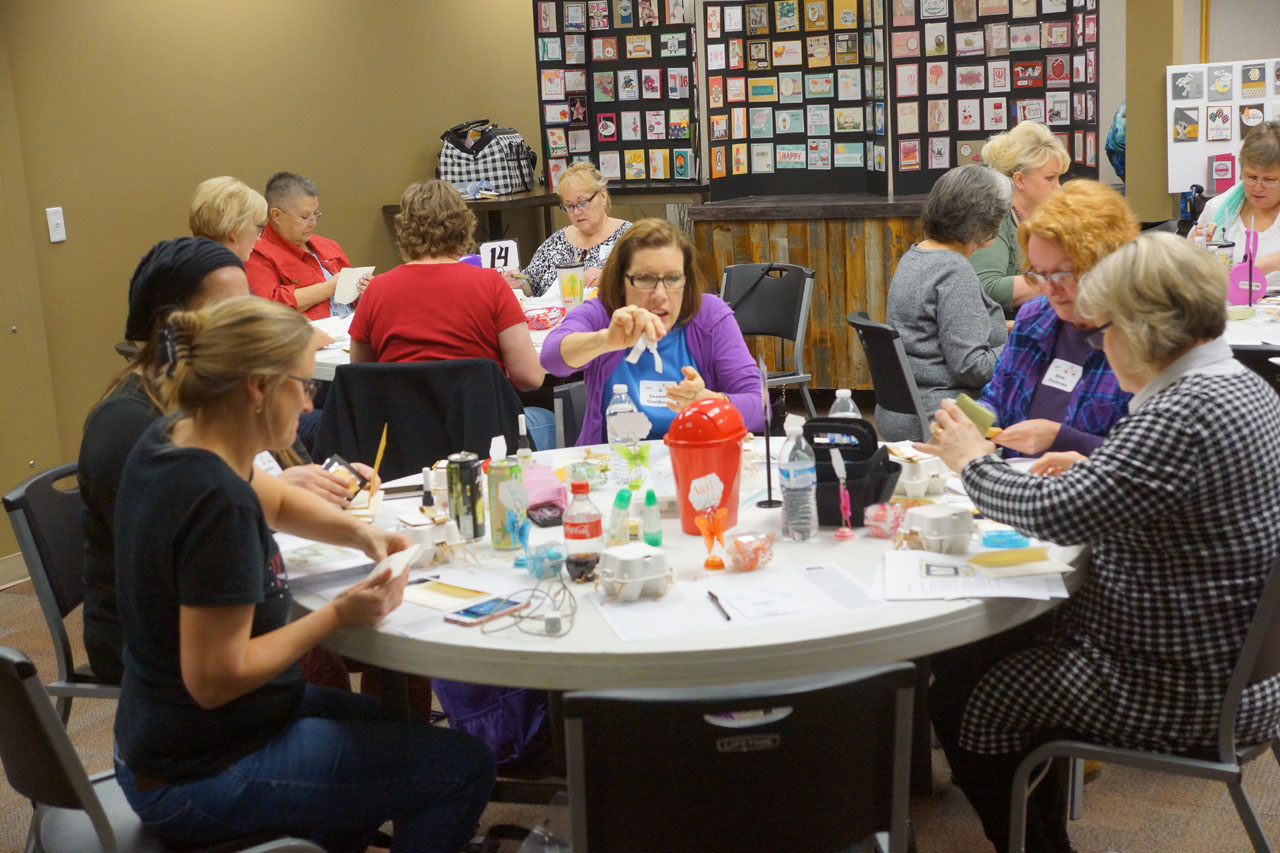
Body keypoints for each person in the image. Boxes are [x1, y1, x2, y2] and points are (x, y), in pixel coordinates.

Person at [922, 232, 1280, 852]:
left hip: (1182, 688)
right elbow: (1161, 490)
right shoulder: (1242, 386)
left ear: (1144, 331)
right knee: (987, 652)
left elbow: (1055, 515)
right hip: (1235, 667)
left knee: (966, 696)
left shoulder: (1178, 414)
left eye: (1103, 331)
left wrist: (972, 461)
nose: (1100, 345)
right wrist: (1097, 468)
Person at [112, 297, 494, 851]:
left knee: (405, 733)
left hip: (181, 735)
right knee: (463, 768)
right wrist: (337, 615)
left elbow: (279, 502)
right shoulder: (215, 502)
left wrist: (362, 535)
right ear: (257, 388)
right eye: (303, 384)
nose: (311, 402)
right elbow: (215, 679)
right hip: (196, 773)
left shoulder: (180, 437)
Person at [78, 238, 378, 685]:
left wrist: (338, 501)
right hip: (170, 648)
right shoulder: (133, 426)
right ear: (177, 323)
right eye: (230, 311)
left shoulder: (212, 405)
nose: (249, 323)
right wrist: (332, 614)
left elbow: (269, 495)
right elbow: (195, 554)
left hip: (238, 598)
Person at [349, 179, 554, 450]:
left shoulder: (376, 291)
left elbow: (361, 378)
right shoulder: (491, 285)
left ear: (403, 230)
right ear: (464, 225)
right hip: (481, 441)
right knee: (550, 419)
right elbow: (529, 378)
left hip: (403, 445)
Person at [541, 218, 764, 444]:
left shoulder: (709, 316)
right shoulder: (602, 314)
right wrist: (606, 340)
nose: (660, 294)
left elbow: (760, 407)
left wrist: (708, 402)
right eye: (645, 278)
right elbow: (551, 358)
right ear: (620, 282)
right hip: (617, 460)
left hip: (693, 458)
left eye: (673, 278)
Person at [974, 180, 1140, 457]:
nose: (1050, 289)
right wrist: (972, 421)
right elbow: (998, 399)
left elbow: (1147, 458)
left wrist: (1061, 439)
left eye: (1065, 274)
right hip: (1016, 478)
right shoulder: (1035, 317)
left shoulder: (1144, 338)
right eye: (1040, 274)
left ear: (1107, 264)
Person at [877, 164, 1010, 442]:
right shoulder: (953, 271)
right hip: (942, 415)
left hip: (902, 410)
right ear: (987, 220)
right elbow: (973, 368)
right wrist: (1021, 343)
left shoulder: (916, 256)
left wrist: (1010, 327)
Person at [970, 121, 1071, 318]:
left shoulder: (1052, 216)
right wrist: (1063, 279)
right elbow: (988, 287)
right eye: (1050, 178)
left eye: (1059, 178)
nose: (1058, 187)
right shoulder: (995, 219)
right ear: (1019, 180)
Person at [245, 171, 371, 320]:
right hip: (312, 332)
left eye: (315, 215)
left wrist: (363, 293)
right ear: (276, 215)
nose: (313, 223)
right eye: (304, 217)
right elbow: (268, 306)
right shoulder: (256, 251)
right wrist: (329, 288)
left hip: (355, 325)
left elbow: (352, 300)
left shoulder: (329, 245)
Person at [515, 161, 630, 297]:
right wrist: (518, 281)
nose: (576, 212)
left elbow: (643, 282)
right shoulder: (556, 242)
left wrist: (611, 279)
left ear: (603, 197)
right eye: (569, 206)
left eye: (583, 203)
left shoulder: (629, 238)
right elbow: (530, 283)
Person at [1192, 120, 1280, 289]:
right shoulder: (1218, 209)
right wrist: (1193, 248)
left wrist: (1268, 264)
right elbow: (1185, 272)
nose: (1258, 187)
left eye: (1269, 180)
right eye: (1251, 177)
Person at [188, 176, 268, 262]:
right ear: (235, 229)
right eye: (257, 227)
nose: (258, 238)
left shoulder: (185, 261)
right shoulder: (226, 269)